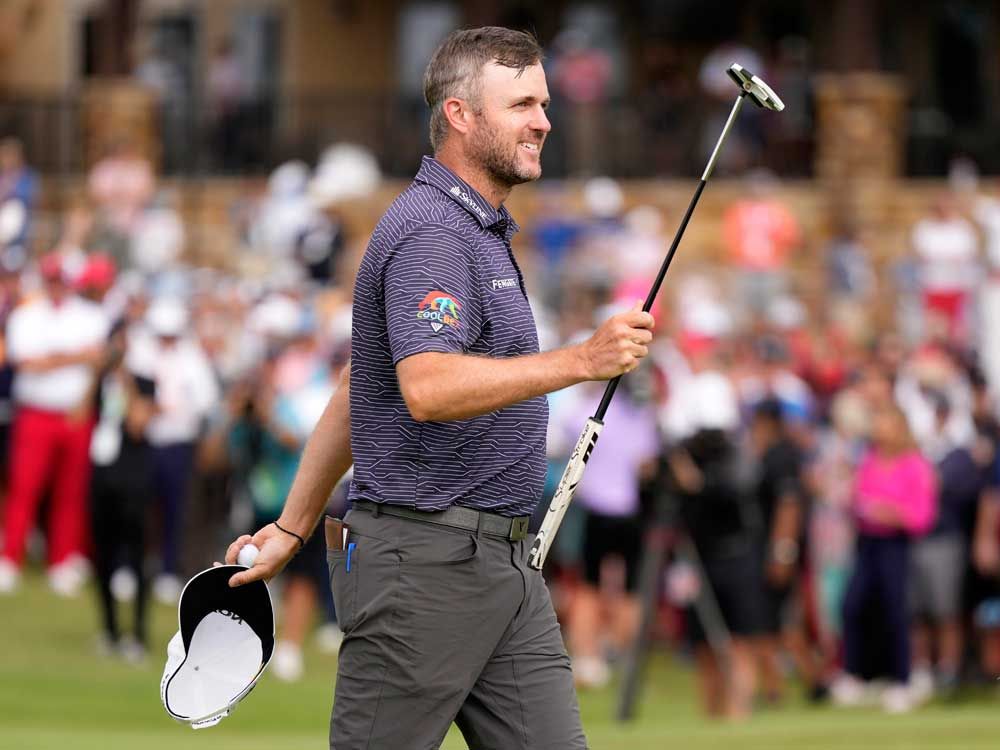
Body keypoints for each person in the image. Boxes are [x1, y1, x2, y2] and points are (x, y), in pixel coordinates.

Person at [224, 26, 655, 750]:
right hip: (424, 571)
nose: (544, 120)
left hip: (502, 571)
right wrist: (581, 360)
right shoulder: (433, 233)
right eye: (522, 103)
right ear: (461, 115)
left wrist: (293, 527)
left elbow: (360, 388)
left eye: (543, 102)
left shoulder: (477, 230)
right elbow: (424, 387)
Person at [0, 253, 109, 595]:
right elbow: (28, 364)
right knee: (24, 487)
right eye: (52, 278)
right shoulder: (26, 315)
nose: (56, 285)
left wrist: (59, 361)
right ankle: (9, 557)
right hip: (35, 411)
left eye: (61, 279)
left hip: (75, 413)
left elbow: (97, 361)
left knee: (71, 491)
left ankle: (62, 560)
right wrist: (75, 356)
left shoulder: (92, 316)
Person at [831, 403, 936, 714]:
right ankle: (855, 673)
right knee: (854, 604)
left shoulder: (914, 465)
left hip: (896, 544)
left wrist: (890, 512)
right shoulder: (870, 460)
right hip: (867, 542)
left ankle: (902, 679)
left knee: (895, 609)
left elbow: (921, 517)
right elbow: (858, 499)